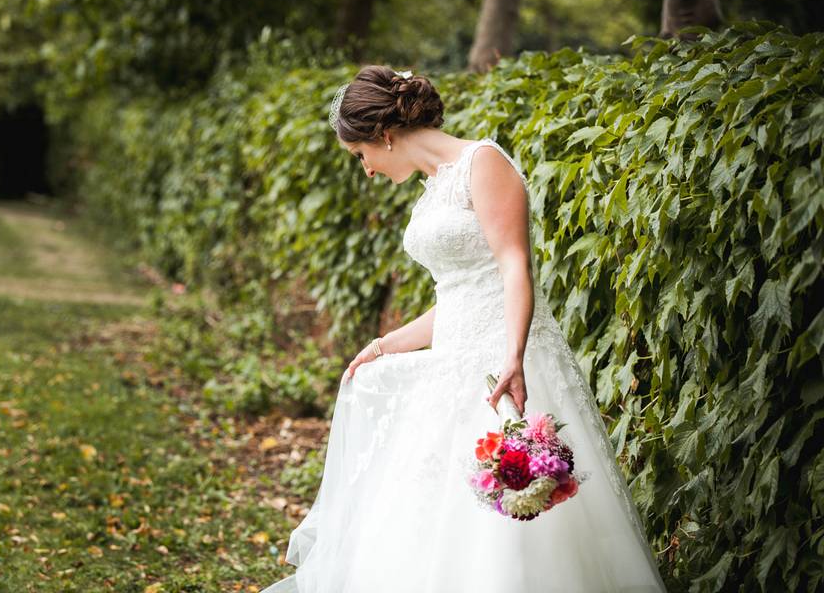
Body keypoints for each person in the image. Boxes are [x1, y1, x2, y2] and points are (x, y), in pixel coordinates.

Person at [260, 65, 668, 592]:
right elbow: (457, 299)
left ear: (383, 135)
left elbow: (514, 267)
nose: (367, 172)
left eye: (361, 157)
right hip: (452, 365)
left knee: (511, 518)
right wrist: (385, 345)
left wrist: (514, 357)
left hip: (503, 367)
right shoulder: (434, 189)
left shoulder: (484, 162)